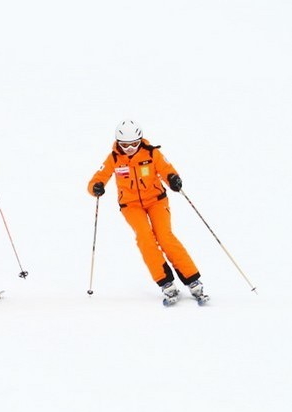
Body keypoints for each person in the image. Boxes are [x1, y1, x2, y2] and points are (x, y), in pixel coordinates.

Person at [87, 120, 208, 305]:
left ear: (140, 140)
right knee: (145, 238)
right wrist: (96, 187)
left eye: (134, 144)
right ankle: (166, 282)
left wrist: (173, 179)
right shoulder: (114, 158)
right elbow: (99, 177)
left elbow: (167, 169)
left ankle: (192, 279)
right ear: (118, 143)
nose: (129, 149)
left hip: (156, 201)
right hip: (131, 205)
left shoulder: (152, 153)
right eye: (125, 145)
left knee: (165, 236)